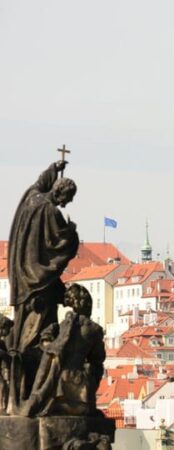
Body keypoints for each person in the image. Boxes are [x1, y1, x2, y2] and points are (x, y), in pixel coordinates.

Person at [6, 160, 79, 410]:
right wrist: (72, 234)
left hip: (23, 279)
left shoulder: (31, 198)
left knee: (22, 332)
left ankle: (18, 395)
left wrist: (52, 169)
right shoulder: (50, 211)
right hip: (40, 282)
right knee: (37, 336)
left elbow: (38, 183)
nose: (66, 204)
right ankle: (30, 394)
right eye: (67, 198)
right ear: (60, 193)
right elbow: (58, 244)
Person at [21, 284, 105, 417]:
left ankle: (33, 400)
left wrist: (47, 339)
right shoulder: (94, 329)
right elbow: (98, 360)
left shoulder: (63, 328)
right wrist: (92, 379)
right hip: (81, 390)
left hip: (59, 390)